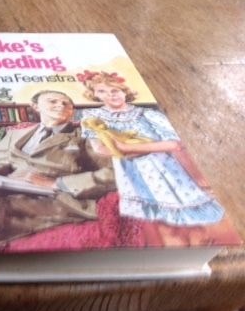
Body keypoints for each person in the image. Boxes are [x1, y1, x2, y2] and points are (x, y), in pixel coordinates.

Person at [77, 71, 224, 235]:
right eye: (102, 91)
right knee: (150, 222)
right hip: (130, 172)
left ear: (124, 91)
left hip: (164, 168)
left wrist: (125, 147)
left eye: (115, 90)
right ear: (94, 94)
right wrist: (132, 150)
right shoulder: (92, 117)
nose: (111, 95)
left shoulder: (147, 114)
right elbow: (99, 148)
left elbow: (175, 144)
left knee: (184, 214)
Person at [0, 90, 116, 250]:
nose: (61, 105)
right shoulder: (14, 134)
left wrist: (56, 183)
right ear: (36, 106)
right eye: (53, 101)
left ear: (72, 111)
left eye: (66, 103)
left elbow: (114, 173)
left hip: (56, 197)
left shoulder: (86, 137)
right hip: (8, 186)